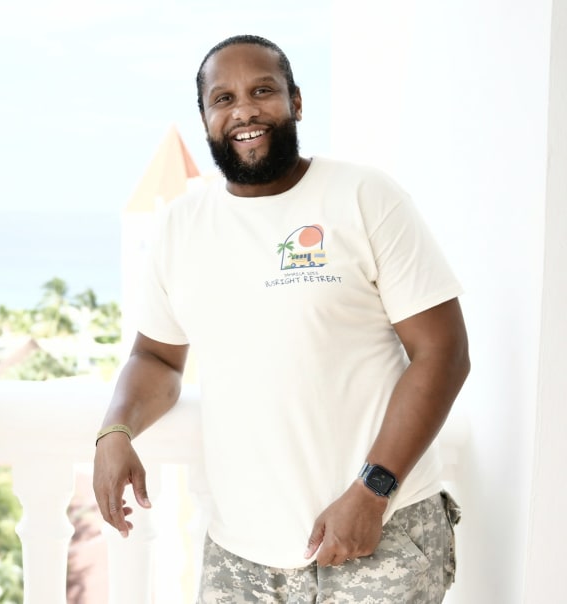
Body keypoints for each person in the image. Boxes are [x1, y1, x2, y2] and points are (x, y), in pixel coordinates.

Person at [93, 34, 470, 603]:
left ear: (296, 101)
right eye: (223, 98)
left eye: (262, 91)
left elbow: (443, 353)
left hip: (379, 534)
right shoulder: (179, 227)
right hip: (240, 555)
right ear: (205, 119)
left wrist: (373, 491)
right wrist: (115, 430)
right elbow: (156, 356)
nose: (244, 109)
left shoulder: (364, 195)